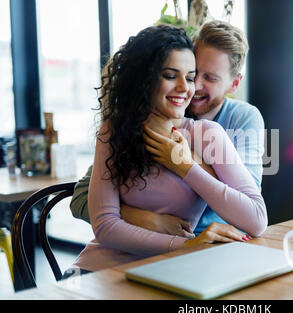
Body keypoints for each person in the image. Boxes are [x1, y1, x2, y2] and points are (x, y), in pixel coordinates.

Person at [64, 24, 267, 276]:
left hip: (175, 268)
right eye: (171, 75)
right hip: (101, 270)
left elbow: (255, 219)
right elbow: (104, 224)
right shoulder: (114, 131)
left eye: (191, 77)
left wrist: (186, 166)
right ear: (145, 79)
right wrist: (182, 243)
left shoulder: (209, 133)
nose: (188, 88)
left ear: (233, 83)